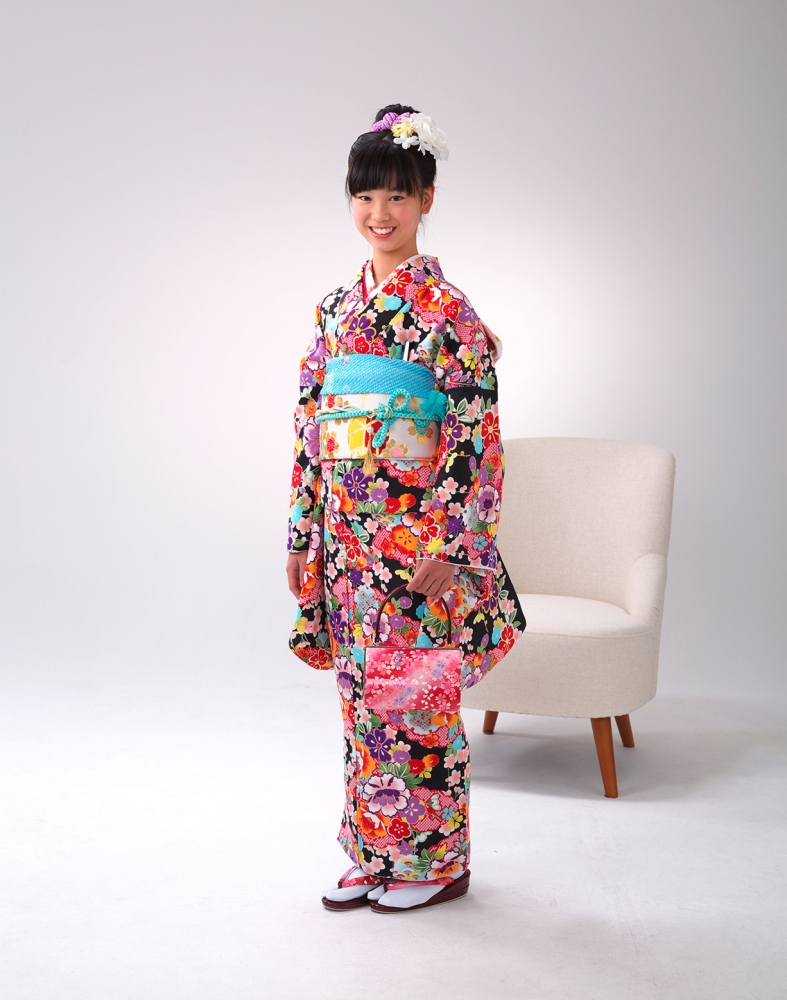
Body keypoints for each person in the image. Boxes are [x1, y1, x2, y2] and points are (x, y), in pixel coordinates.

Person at [286, 104, 525, 913]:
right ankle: (372, 852)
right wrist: (301, 532)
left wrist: (456, 545)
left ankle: (435, 863)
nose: (378, 213)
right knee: (361, 702)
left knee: (416, 701)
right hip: (347, 543)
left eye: (396, 196)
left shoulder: (449, 313)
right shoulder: (333, 307)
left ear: (427, 199)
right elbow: (310, 424)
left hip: (417, 541)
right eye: (365, 197)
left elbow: (476, 440)